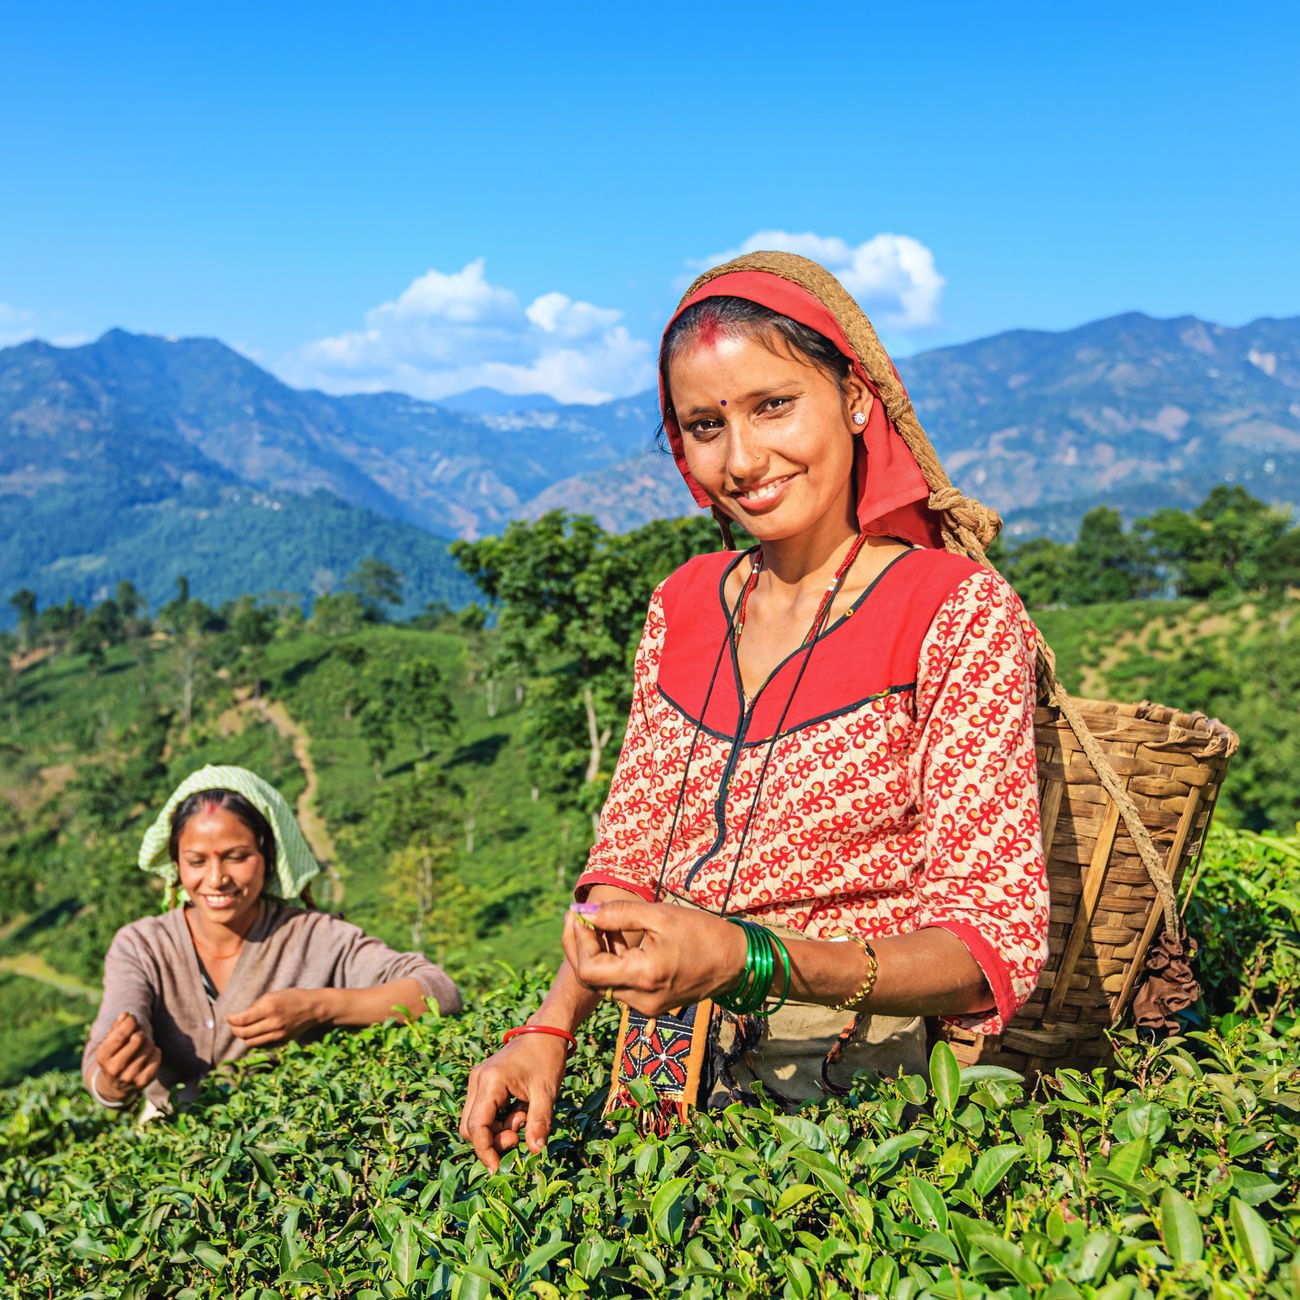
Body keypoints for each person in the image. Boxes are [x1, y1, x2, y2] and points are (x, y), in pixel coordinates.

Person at [460, 251, 1049, 1170]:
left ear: (855, 399)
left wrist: (751, 958)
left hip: (861, 1108)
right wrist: (549, 1030)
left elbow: (986, 942)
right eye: (704, 425)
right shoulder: (684, 604)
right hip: (656, 1088)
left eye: (774, 405)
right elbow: (626, 865)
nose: (741, 459)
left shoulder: (953, 610)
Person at [83, 765, 462, 1113]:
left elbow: (436, 992)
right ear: (176, 866)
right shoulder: (142, 945)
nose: (216, 879)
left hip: (288, 1146)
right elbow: (102, 1051)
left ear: (267, 856)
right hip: (176, 1154)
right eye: (197, 861)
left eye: (236, 857)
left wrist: (318, 1007)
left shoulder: (314, 937)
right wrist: (114, 1081)